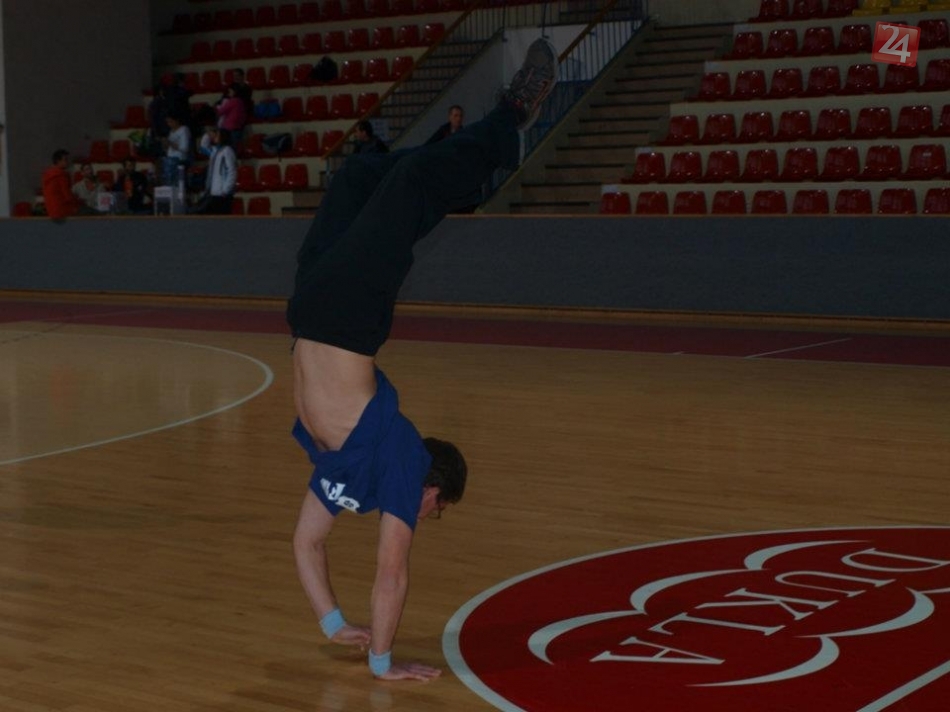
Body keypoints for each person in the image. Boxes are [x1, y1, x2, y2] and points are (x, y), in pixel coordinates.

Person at [287, 38, 557, 682]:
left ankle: (477, 142)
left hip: (311, 309)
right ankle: (510, 117)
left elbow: (308, 542)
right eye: (435, 510)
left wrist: (335, 624)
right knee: (406, 185)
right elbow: (391, 571)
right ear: (431, 490)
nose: (424, 515)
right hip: (347, 313)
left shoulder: (351, 483)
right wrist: (382, 661)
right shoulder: (403, 465)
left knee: (359, 176)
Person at [194, 127, 237, 215]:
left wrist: (226, 190)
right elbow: (203, 146)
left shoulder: (228, 151)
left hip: (222, 194)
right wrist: (208, 134)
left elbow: (232, 171)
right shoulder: (215, 151)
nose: (215, 136)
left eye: (217, 134)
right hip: (213, 192)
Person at [42, 149, 87, 219]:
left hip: (51, 211)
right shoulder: (61, 175)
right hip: (62, 210)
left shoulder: (47, 175)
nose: (67, 162)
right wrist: (79, 202)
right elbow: (67, 195)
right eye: (65, 160)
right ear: (58, 161)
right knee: (89, 211)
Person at [161, 114, 192, 187]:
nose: (169, 124)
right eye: (168, 122)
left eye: (171, 122)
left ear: (177, 120)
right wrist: (165, 143)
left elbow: (184, 148)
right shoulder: (171, 131)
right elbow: (167, 148)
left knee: (178, 183)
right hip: (170, 159)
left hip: (179, 159)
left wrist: (170, 143)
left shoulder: (184, 130)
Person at [216, 83, 248, 147]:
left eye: (230, 91)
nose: (229, 93)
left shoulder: (232, 101)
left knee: (230, 147)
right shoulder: (241, 102)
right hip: (238, 127)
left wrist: (217, 107)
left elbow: (220, 111)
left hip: (230, 128)